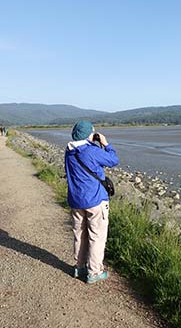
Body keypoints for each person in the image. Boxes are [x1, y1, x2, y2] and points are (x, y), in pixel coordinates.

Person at [64, 121, 119, 284]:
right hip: (95, 200)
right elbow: (113, 160)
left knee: (79, 234)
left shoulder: (69, 151)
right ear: (89, 134)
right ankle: (94, 272)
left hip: (75, 200)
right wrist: (105, 144)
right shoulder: (91, 151)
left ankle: (79, 267)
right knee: (96, 236)